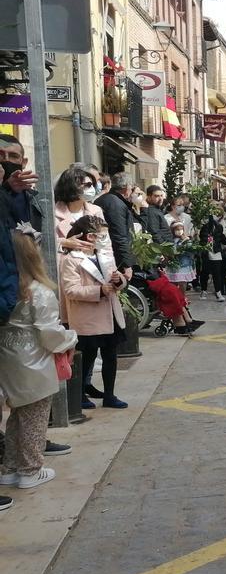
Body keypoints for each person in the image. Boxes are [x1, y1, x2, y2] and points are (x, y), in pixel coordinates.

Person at [0, 225, 77, 491]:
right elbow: (50, 334)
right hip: (34, 362)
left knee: (15, 416)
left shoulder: (7, 291)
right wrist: (71, 337)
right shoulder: (40, 291)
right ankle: (31, 469)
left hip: (9, 359)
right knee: (35, 417)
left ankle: (10, 467)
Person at [60, 215, 129, 410]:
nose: (106, 239)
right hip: (88, 317)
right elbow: (71, 290)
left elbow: (119, 281)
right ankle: (80, 394)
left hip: (109, 313)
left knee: (110, 355)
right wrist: (99, 291)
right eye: (102, 236)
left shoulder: (105, 255)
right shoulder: (70, 259)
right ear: (90, 237)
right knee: (87, 357)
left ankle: (109, 395)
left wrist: (118, 280)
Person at [92, 172, 137, 275]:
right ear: (126, 187)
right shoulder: (115, 203)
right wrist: (126, 265)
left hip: (107, 254)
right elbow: (119, 235)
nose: (131, 191)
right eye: (131, 187)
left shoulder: (107, 199)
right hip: (113, 258)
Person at [0, 134, 44, 231]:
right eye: (0, 154)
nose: (6, 160)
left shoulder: (36, 199)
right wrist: (6, 188)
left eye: (13, 156)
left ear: (23, 163)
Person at [198, 211, 226, 302]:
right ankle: (204, 290)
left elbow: (222, 239)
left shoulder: (219, 227)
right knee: (205, 272)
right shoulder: (204, 227)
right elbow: (202, 239)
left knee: (217, 273)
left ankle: (218, 292)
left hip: (216, 252)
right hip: (206, 252)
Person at [165, 222, 197, 298]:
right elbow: (170, 250)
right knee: (173, 282)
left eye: (181, 229)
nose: (179, 231)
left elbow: (191, 249)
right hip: (174, 264)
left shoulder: (187, 239)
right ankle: (175, 298)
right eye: (177, 229)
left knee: (182, 282)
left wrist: (186, 241)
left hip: (184, 264)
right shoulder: (171, 240)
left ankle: (183, 297)